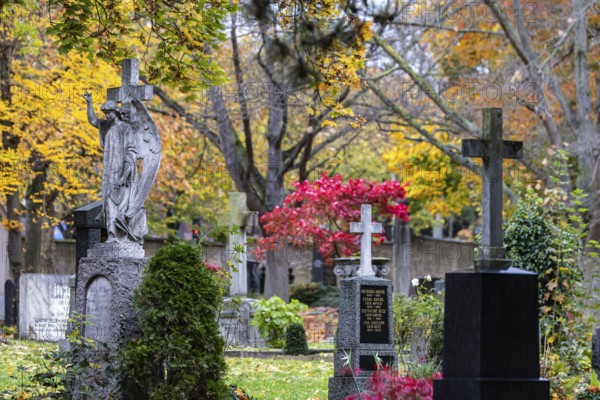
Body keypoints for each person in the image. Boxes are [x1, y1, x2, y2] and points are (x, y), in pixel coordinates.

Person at [84, 92, 141, 243]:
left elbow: (131, 151)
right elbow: (92, 120)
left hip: (123, 172)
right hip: (109, 171)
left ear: (115, 111)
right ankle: (112, 234)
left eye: (109, 112)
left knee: (121, 203)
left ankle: (123, 235)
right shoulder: (106, 126)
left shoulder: (125, 128)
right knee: (108, 202)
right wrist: (89, 103)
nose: (107, 115)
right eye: (105, 113)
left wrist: (125, 174)